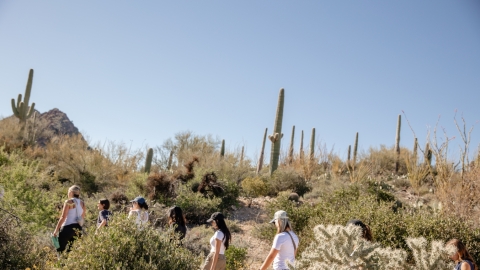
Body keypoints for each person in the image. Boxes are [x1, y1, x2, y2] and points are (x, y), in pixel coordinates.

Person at [53, 185, 85, 253]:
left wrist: (56, 230)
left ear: (71, 192)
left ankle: (61, 263)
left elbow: (63, 217)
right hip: (78, 229)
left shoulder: (68, 202)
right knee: (71, 252)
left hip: (67, 227)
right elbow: (82, 217)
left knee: (60, 250)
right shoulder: (82, 203)